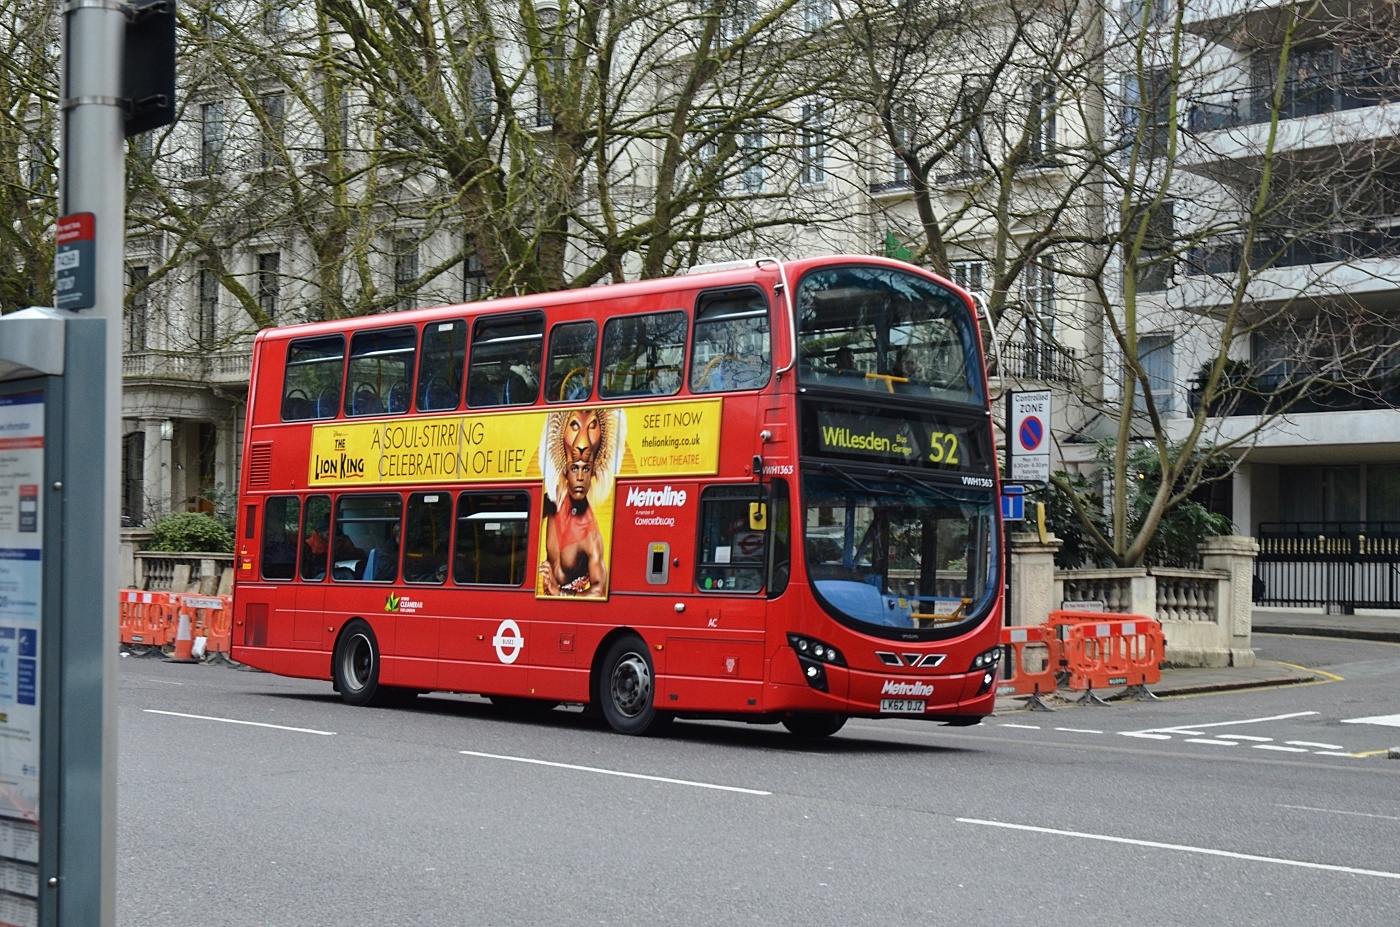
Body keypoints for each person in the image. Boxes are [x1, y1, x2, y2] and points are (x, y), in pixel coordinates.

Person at [538, 408, 621, 598]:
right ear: (565, 471)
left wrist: (560, 593)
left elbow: (599, 590)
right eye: (575, 468)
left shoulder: (591, 536)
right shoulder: (551, 503)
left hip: (569, 611)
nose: (581, 477)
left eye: (587, 469)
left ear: (593, 472)